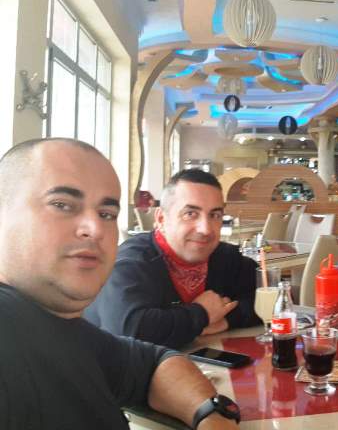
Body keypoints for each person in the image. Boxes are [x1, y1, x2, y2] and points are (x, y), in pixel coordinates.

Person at [0, 138, 239, 430]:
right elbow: (135, 327)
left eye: (107, 214)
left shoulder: (65, 330)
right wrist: (200, 315)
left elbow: (154, 363)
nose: (95, 229)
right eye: (62, 205)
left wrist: (211, 414)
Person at [86, 169, 260, 349]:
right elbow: (130, 329)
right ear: (161, 219)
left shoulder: (224, 257)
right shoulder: (130, 262)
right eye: (190, 214)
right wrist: (202, 313)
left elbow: (268, 297)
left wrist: (226, 320)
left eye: (214, 215)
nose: (205, 229)